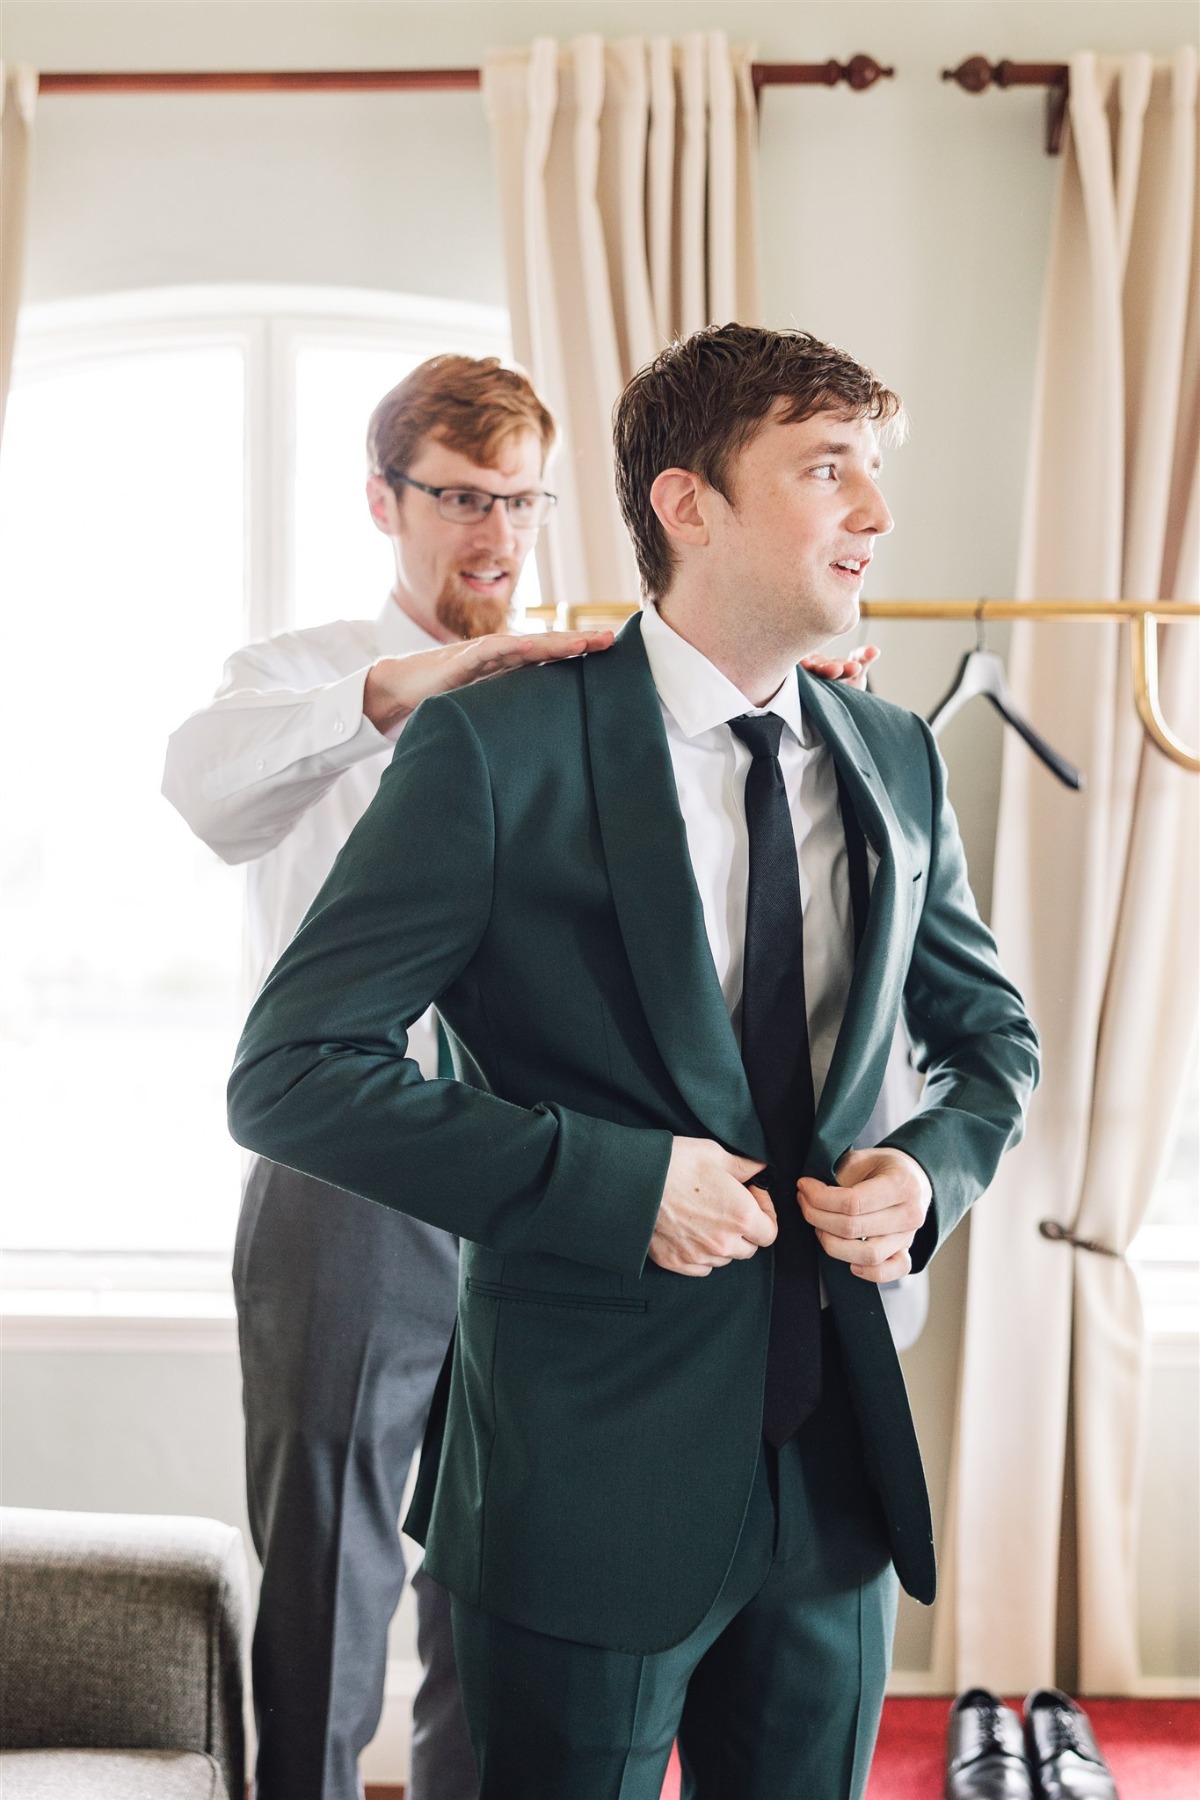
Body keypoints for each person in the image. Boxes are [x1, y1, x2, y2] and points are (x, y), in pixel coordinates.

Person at [227, 323, 1038, 1799]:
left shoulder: (893, 755)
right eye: (828, 470)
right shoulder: (494, 747)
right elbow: (288, 1070)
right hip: (580, 1477)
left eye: (876, 474)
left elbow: (994, 1046)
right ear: (688, 504)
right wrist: (611, 1181)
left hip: (835, 1483)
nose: (877, 513)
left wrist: (929, 1174)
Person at [162, 354, 617, 1800]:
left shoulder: (575, 694)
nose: (500, 534)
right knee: (326, 1554)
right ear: (385, 499)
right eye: (469, 499)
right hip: (344, 1171)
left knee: (501, 1552)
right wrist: (427, 683)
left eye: (525, 501)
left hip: (526, 1169)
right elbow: (206, 787)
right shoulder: (294, 678)